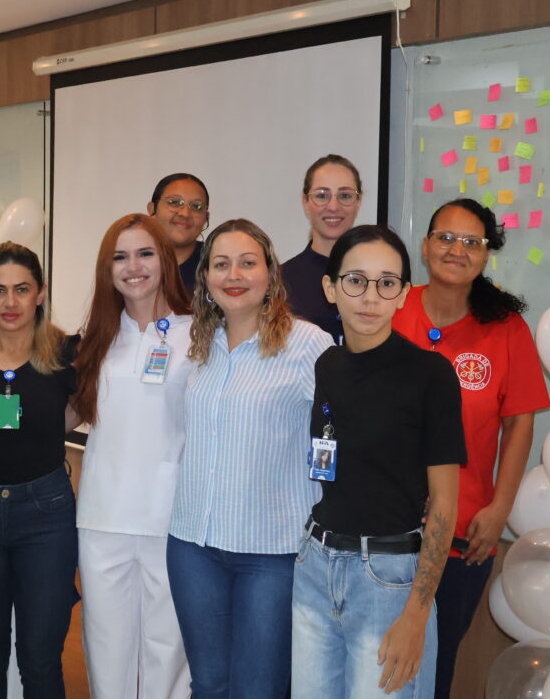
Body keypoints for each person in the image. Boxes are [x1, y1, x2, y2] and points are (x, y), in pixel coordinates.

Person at [292, 225, 466, 699]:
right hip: (314, 565)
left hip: (388, 580)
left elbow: (445, 505)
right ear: (331, 288)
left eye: (386, 283)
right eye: (356, 281)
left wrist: (416, 615)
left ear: (403, 294)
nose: (370, 297)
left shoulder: (430, 374)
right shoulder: (327, 365)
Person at [167, 218, 333, 698]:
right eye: (221, 264)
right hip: (193, 545)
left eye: (247, 263)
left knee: (258, 689)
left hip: (272, 554)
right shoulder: (199, 345)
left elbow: (339, 436)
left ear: (270, 273)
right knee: (209, 685)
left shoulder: (308, 345)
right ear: (205, 277)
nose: (234, 275)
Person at [391, 198, 550, 699]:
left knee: (434, 667)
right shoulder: (392, 306)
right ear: (425, 245)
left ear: (485, 255)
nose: (456, 250)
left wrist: (500, 508)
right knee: (377, 663)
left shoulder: (506, 327)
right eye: (445, 237)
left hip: (464, 531)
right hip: (384, 525)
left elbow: (519, 424)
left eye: (471, 242)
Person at [72, 213, 193, 699]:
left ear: (164, 260)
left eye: (145, 253)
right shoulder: (94, 340)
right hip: (103, 519)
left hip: (172, 520)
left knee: (169, 653)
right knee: (107, 652)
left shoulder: (199, 335)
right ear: (108, 269)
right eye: (120, 257)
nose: (133, 266)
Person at [0, 242, 80, 698]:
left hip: (46, 514)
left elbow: (76, 413)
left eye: (22, 289)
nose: (10, 302)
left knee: (40, 658)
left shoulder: (68, 353)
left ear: (40, 293)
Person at [280, 154, 364, 343]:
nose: (333, 206)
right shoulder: (280, 281)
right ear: (305, 201)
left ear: (358, 201)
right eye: (321, 196)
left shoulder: (377, 277)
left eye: (345, 196)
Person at [147, 172, 210, 294]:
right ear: (152, 209)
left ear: (206, 217)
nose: (185, 214)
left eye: (196, 206)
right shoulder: (131, 261)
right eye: (174, 202)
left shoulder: (217, 264)